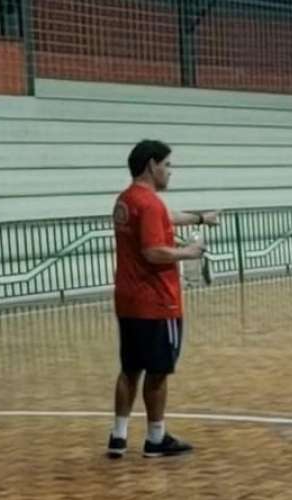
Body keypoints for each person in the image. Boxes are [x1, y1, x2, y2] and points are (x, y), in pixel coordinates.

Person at [108, 139, 218, 459]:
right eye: (167, 165)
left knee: (130, 368)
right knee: (157, 372)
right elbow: (153, 252)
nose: (170, 172)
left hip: (128, 299)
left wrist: (200, 218)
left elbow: (166, 217)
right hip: (156, 302)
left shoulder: (126, 200)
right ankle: (156, 438)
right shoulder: (151, 204)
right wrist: (190, 251)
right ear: (151, 165)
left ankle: (118, 436)